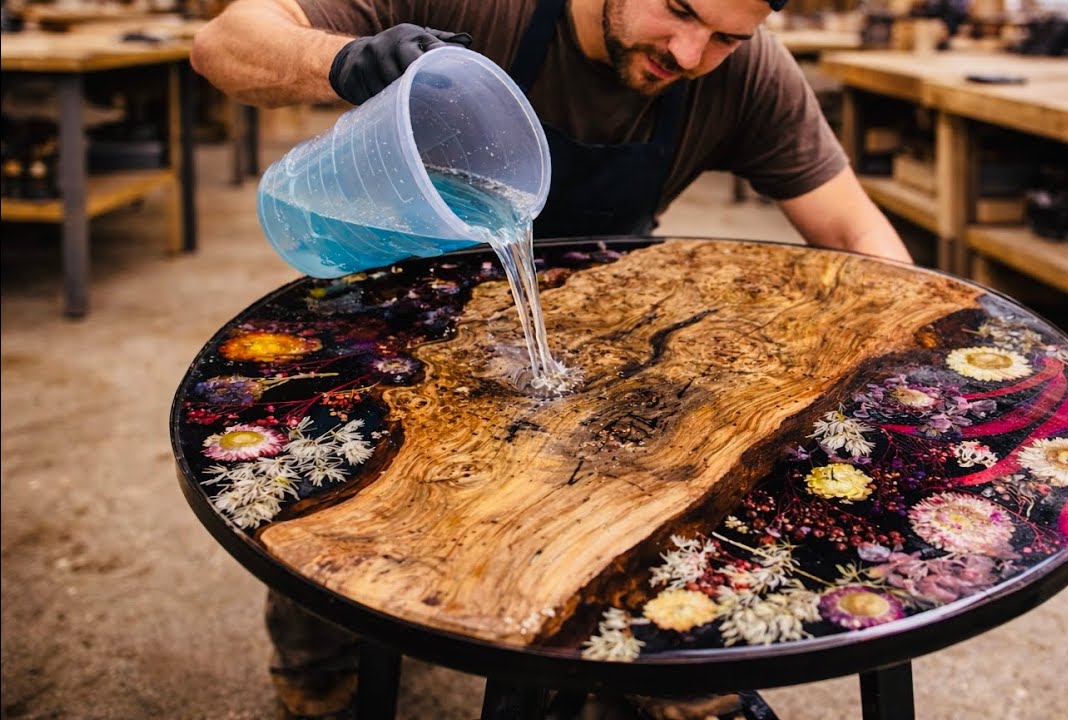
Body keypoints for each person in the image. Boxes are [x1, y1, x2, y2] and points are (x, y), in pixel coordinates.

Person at [191, 0, 912, 716]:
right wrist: (344, 61)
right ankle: (324, 665)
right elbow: (223, 44)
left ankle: (646, 662)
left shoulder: (750, 73)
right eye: (678, 9)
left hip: (598, 321)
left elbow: (853, 227)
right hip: (403, 303)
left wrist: (907, 369)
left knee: (667, 471)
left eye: (724, 37)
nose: (690, 54)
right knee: (346, 476)